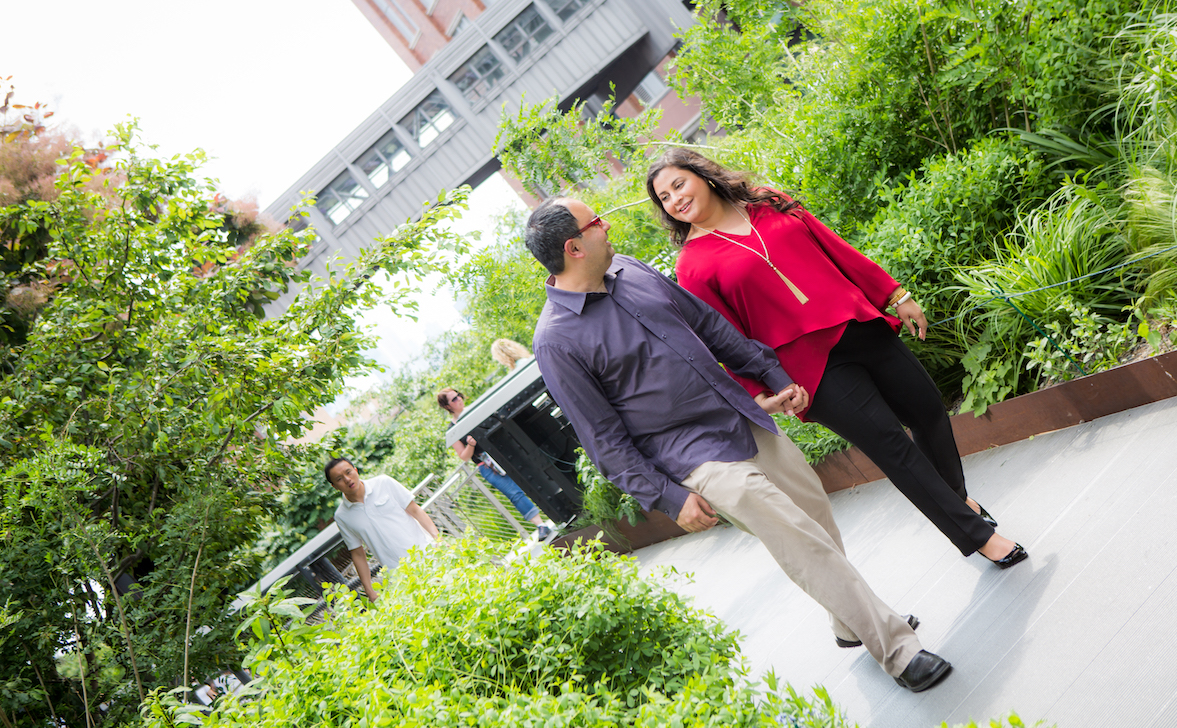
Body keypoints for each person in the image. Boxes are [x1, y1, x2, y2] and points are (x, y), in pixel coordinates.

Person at [524, 196, 953, 692]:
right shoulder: (556, 341)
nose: (606, 224)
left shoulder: (631, 269)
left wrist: (771, 373)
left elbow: (709, 326)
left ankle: (847, 623)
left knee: (814, 513)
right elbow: (603, 439)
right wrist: (668, 497)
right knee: (795, 534)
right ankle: (898, 650)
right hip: (693, 456)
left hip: (743, 418)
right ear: (574, 247)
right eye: (595, 221)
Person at [645, 148, 1027, 568]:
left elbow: (835, 248)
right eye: (664, 197)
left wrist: (893, 293)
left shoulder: (766, 201)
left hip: (857, 323)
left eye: (678, 184)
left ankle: (956, 501)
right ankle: (978, 537)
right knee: (893, 448)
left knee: (929, 410)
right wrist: (762, 389)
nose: (675, 199)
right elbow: (723, 340)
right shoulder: (692, 266)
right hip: (809, 372)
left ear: (702, 175)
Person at [437, 388, 555, 541]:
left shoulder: (475, 411)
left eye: (458, 395)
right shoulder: (452, 430)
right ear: (447, 406)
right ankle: (540, 525)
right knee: (514, 493)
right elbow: (464, 456)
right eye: (453, 399)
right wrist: (470, 445)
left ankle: (555, 510)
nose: (459, 399)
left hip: (504, 452)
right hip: (487, 465)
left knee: (534, 479)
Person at [325, 457, 440, 602]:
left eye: (349, 472)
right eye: (340, 479)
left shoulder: (384, 483)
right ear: (334, 486)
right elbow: (358, 553)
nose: (347, 479)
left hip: (428, 555)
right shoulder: (342, 516)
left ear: (356, 470)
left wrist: (438, 539)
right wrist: (369, 590)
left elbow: (415, 510)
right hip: (399, 576)